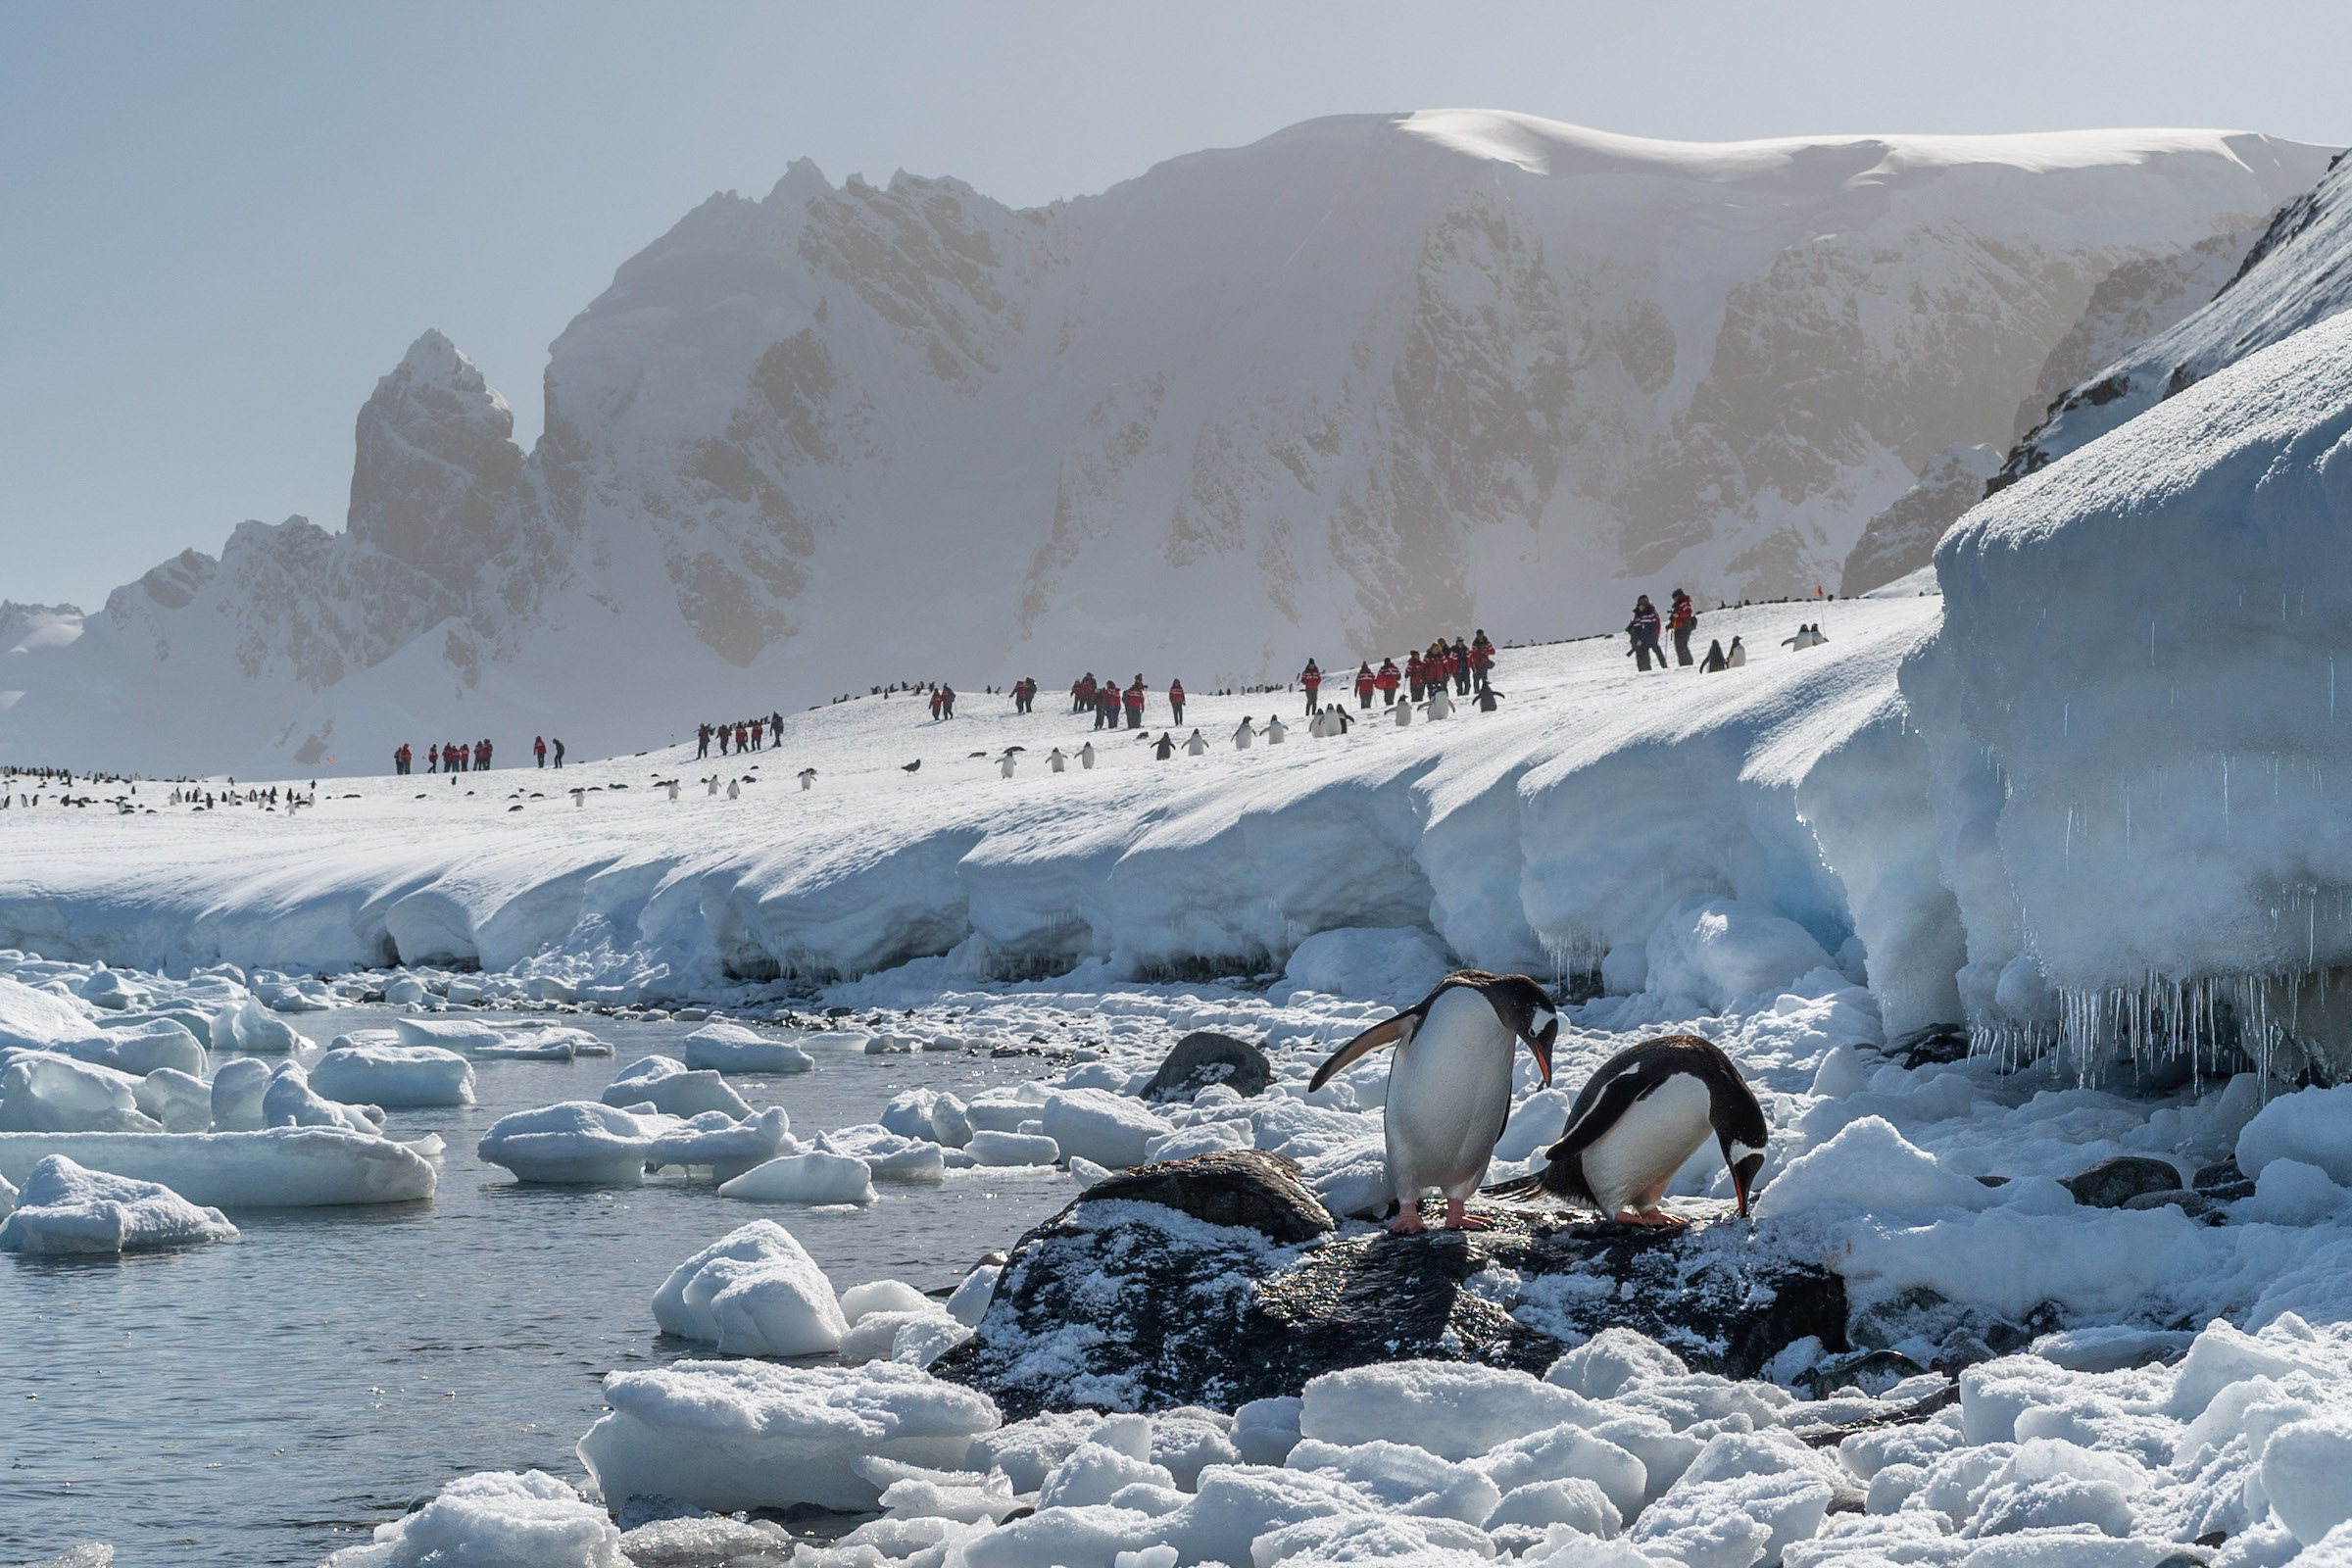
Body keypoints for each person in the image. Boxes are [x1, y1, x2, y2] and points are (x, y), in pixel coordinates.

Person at [1627, 595, 1666, 672]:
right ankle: (1647, 668)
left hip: (1648, 638)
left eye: (1642, 605)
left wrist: (1640, 639)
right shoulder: (1641, 614)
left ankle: (1651, 668)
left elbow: (1646, 629)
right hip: (1646, 639)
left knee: (1651, 651)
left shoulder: (1647, 614)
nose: (1640, 607)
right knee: (1654, 651)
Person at [1669, 589, 1696, 666]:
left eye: (1675, 598)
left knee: (1682, 645)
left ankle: (1687, 662)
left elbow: (1687, 612)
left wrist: (1678, 614)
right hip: (1679, 628)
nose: (1674, 600)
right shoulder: (1679, 605)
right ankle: (1683, 662)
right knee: (1679, 645)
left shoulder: (1684, 603)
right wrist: (1671, 624)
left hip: (1684, 627)